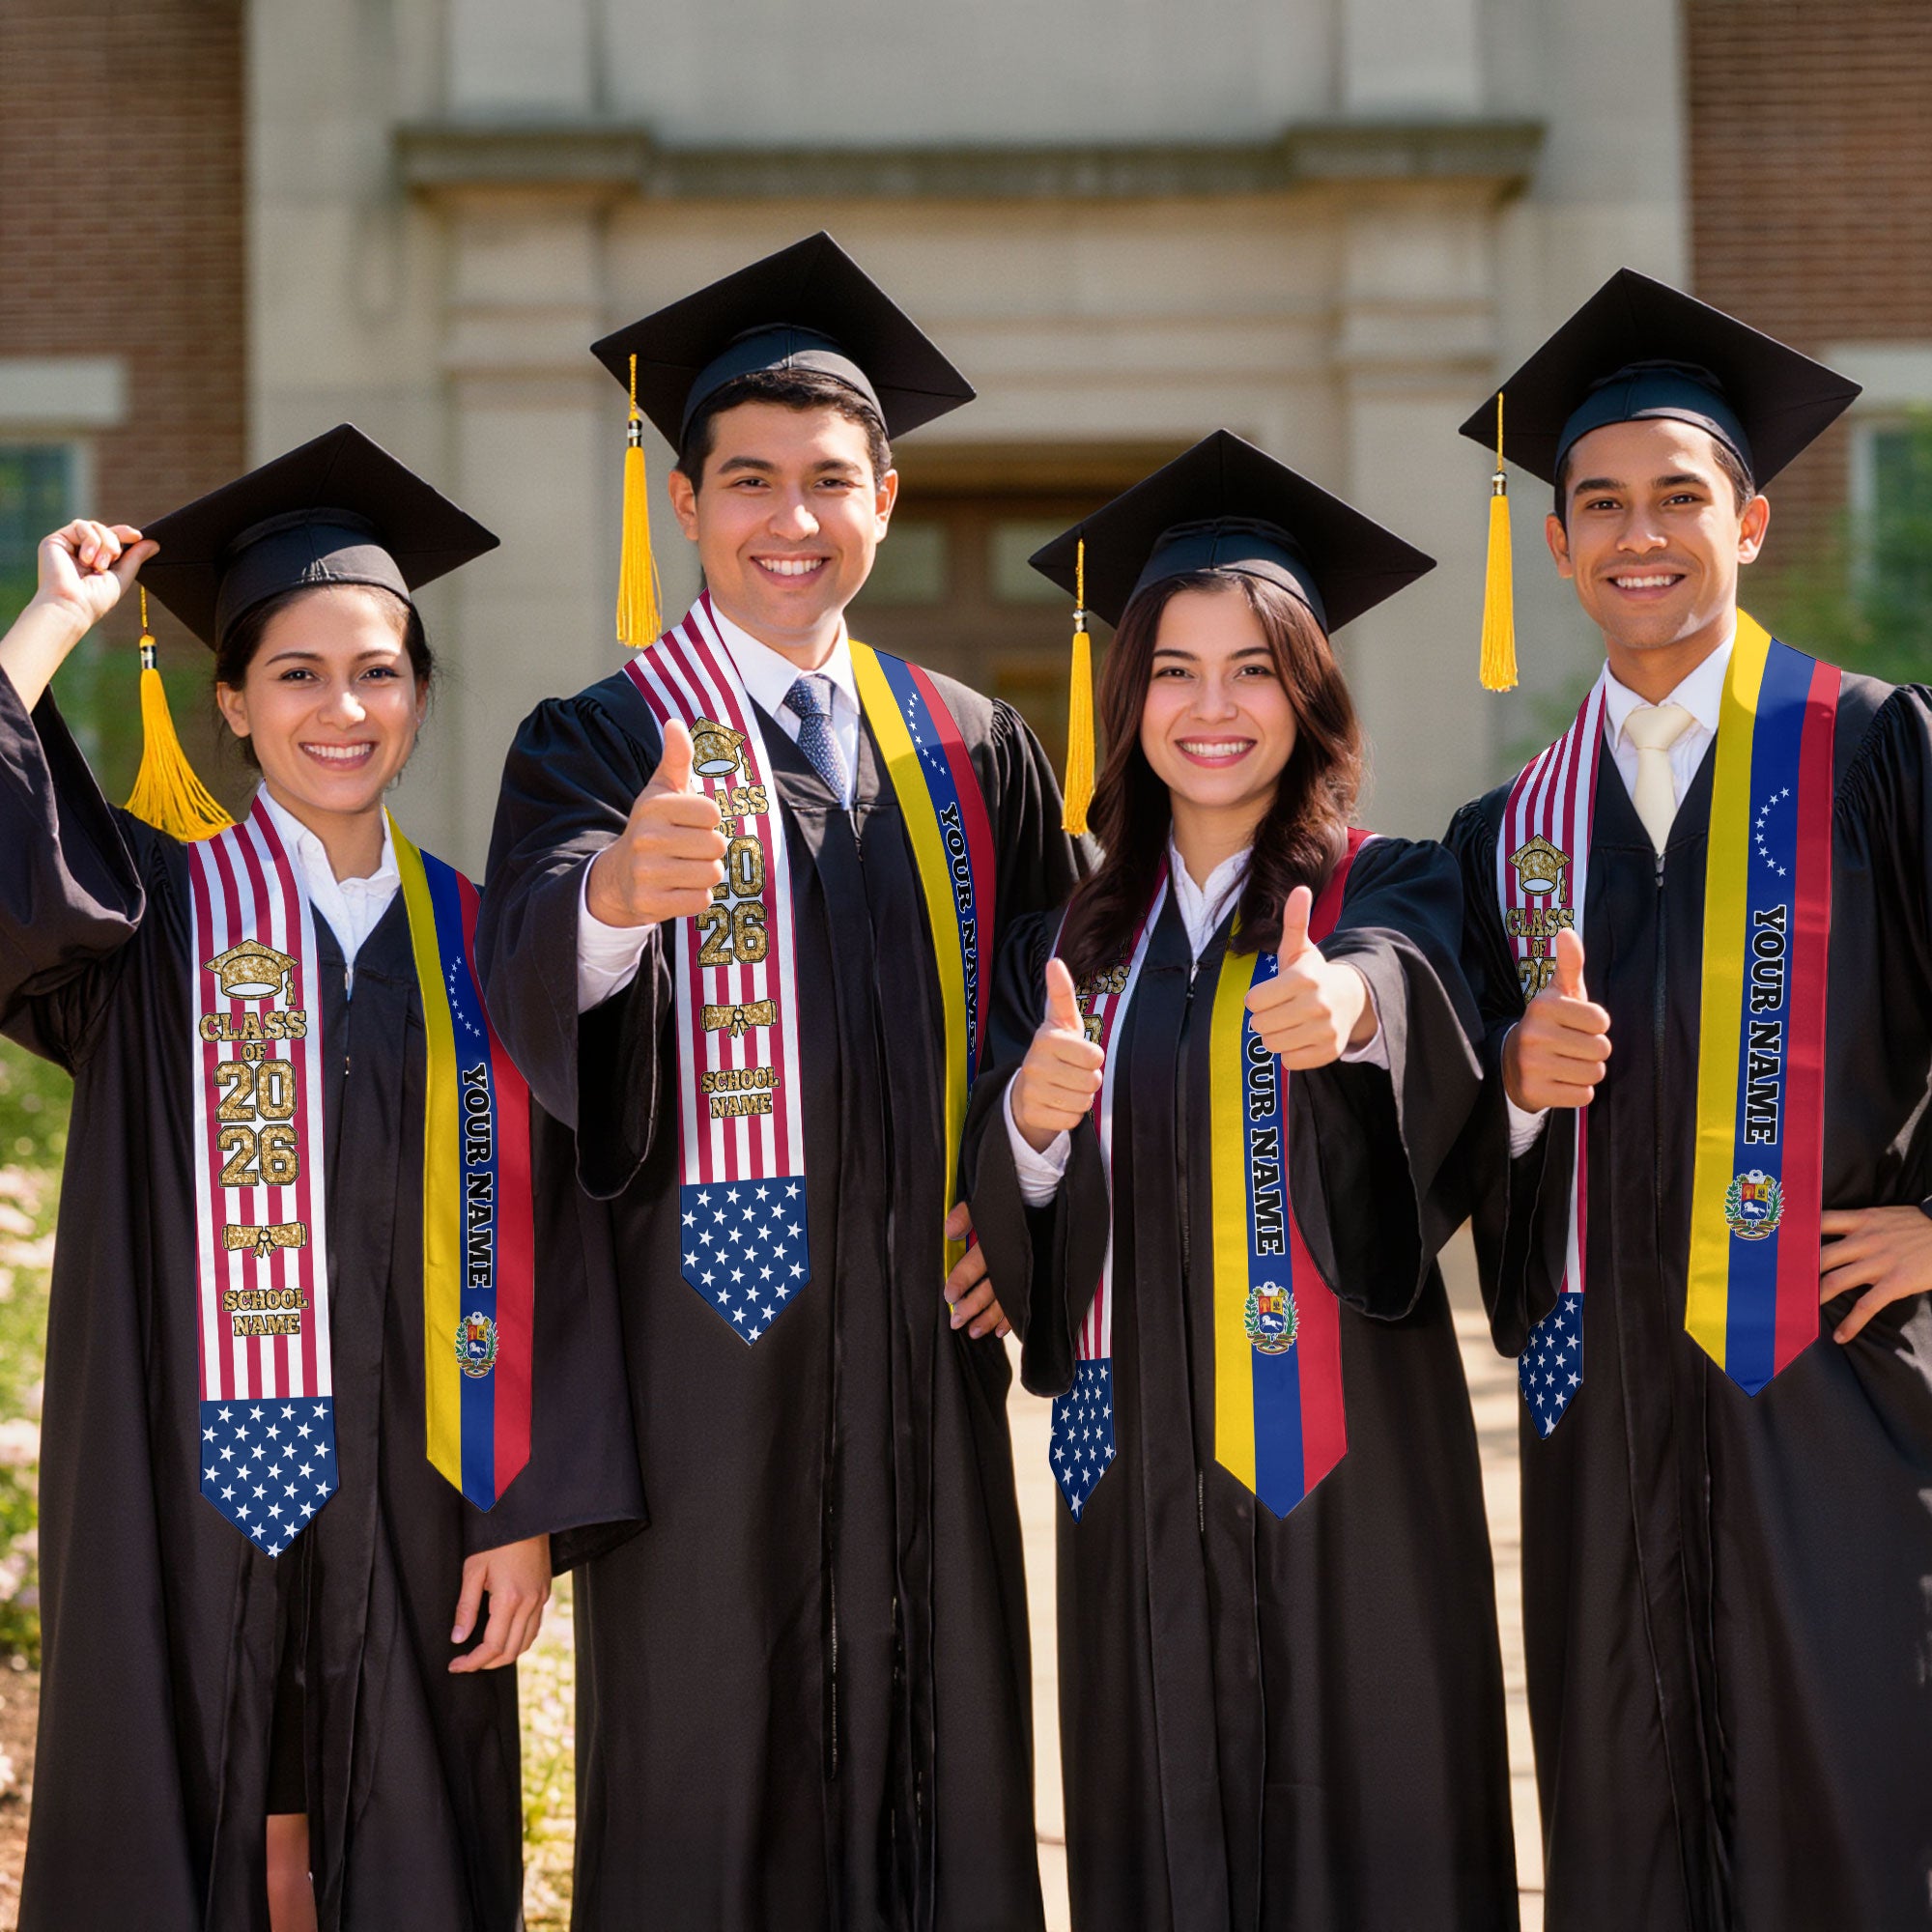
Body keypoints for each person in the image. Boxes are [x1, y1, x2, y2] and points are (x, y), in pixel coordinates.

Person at [478, 233, 1083, 1931]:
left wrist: (1024, 1195)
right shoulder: (598, 739)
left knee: (943, 1758)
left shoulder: (974, 745)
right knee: (709, 1775)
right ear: (686, 504)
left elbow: (1078, 999)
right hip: (705, 1370)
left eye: (831, 481)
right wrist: (611, 900)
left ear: (886, 497)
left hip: (923, 1353)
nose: (791, 520)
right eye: (749, 481)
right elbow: (526, 970)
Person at [0, 425, 642, 1932]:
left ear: (420, 695)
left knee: (407, 1831)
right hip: (182, 1481)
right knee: (190, 1806)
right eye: (295, 673)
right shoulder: (145, 919)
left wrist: (525, 1506)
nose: (340, 708)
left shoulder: (492, 942)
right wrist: (50, 625)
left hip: (427, 1495)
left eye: (378, 671)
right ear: (230, 701)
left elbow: (562, 1235)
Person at [963, 431, 1518, 1930]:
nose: (1214, 709)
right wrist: (1027, 1116)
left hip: (1350, 1467)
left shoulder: (1386, 885)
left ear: (1311, 692)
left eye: (1256, 669)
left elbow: (1416, 987)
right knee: (1158, 1826)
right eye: (1175, 671)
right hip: (1130, 1461)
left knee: (1375, 1822)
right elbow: (1012, 1199)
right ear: (1126, 696)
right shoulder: (1068, 943)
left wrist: (1351, 1012)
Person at [1446, 270, 1932, 1931]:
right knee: (1624, 1813)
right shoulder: (1509, 832)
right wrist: (1510, 1088)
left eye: (1678, 497)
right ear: (1561, 543)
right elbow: (1444, 1134)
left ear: (1752, 520)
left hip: (1835, 1394)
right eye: (1599, 504)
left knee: (1855, 1802)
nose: (1636, 533)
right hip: (1601, 1413)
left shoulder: (1875, 752)